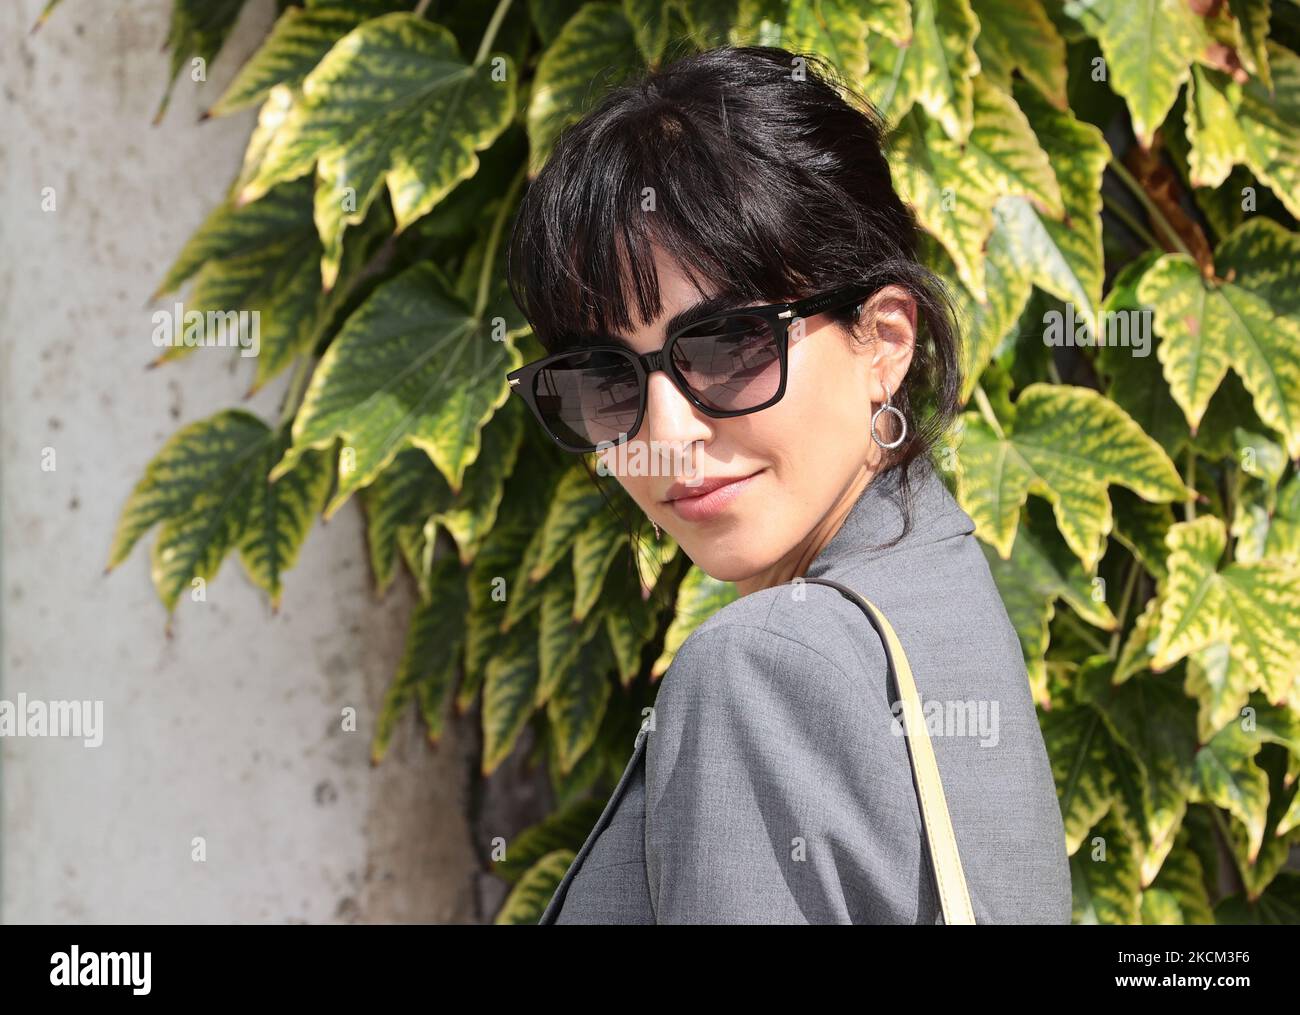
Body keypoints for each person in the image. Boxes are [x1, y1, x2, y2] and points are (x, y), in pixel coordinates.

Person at [504, 44, 1071, 924]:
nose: (665, 435)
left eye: (729, 344)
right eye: (606, 375)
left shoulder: (763, 668)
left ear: (883, 341)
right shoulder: (940, 590)